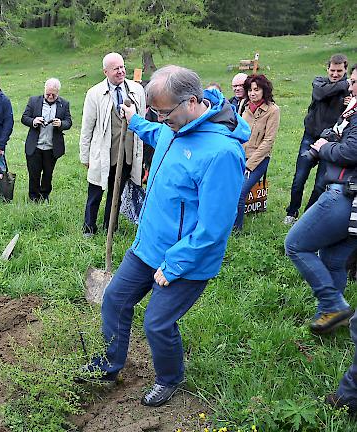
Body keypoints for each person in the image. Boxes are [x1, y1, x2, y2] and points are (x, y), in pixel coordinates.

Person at [79, 66, 248, 407]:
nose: (160, 118)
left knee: (157, 323)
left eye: (164, 113)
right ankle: (110, 365)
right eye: (155, 112)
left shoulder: (222, 154)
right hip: (149, 245)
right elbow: (160, 136)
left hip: (188, 258)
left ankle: (169, 378)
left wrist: (174, 265)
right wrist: (136, 120)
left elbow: (214, 229)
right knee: (115, 299)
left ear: (193, 101)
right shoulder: (176, 126)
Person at [284, 63, 357, 335]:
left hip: (344, 195)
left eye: (354, 81)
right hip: (350, 199)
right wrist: (327, 139)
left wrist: (324, 147)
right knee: (333, 260)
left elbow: (350, 151)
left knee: (295, 244)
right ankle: (330, 317)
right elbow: (333, 134)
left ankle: (332, 303)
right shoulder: (351, 112)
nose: (350, 87)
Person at [79, 52, 146, 237]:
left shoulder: (137, 91)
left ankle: (110, 226)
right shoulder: (94, 93)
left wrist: (141, 157)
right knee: (95, 191)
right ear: (105, 71)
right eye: (116, 68)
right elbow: (87, 127)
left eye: (122, 67)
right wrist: (85, 156)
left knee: (116, 193)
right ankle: (89, 227)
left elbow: (143, 122)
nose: (121, 71)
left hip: (127, 153)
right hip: (103, 153)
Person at [284, 54, 351, 225]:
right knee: (299, 178)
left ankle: (307, 216)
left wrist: (351, 101)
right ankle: (292, 212)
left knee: (321, 184)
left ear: (345, 70)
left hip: (331, 142)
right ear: (327, 69)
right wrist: (345, 83)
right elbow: (320, 93)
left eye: (340, 71)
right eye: (332, 70)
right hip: (311, 137)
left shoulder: (350, 92)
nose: (335, 74)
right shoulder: (319, 82)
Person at [233, 74, 280, 230]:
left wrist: (249, 165)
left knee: (240, 192)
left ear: (264, 91)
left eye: (256, 90)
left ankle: (236, 229)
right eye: (250, 90)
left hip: (258, 159)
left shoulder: (273, 110)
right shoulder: (243, 105)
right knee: (228, 188)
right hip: (239, 155)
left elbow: (268, 142)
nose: (252, 93)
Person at [21, 78, 72, 202]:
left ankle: (44, 196)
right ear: (44, 90)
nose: (50, 96)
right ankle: (33, 198)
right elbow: (24, 118)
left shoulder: (64, 104)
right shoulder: (33, 101)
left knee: (48, 175)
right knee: (34, 174)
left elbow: (68, 122)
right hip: (35, 146)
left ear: (58, 93)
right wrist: (34, 121)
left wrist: (60, 124)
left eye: (53, 94)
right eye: (47, 94)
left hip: (51, 148)